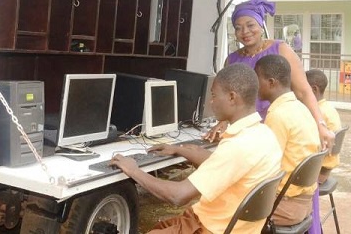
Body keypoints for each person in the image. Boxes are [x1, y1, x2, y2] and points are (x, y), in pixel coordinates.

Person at [110, 63, 282, 233]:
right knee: (161, 227)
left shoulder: (238, 146)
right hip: (229, 224)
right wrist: (180, 149)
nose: (211, 102)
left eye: (214, 96)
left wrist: (134, 171)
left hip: (213, 228)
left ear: (232, 97)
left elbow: (178, 196)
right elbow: (221, 163)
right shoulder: (264, 135)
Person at [205, 0, 334, 150]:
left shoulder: (281, 50)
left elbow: (304, 91)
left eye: (250, 25)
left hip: (277, 132)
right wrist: (223, 121)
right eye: (238, 28)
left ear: (261, 25)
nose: (245, 31)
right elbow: (229, 99)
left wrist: (320, 124)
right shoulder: (232, 60)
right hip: (244, 136)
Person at [255, 54, 321, 226]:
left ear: (271, 82)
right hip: (303, 203)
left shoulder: (278, 115)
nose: (254, 85)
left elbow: (265, 168)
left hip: (283, 206)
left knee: (220, 203)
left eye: (257, 79)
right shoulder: (300, 108)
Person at [306, 69, 343, 184]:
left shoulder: (318, 113)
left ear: (314, 89)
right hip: (327, 168)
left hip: (318, 172)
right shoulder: (329, 108)